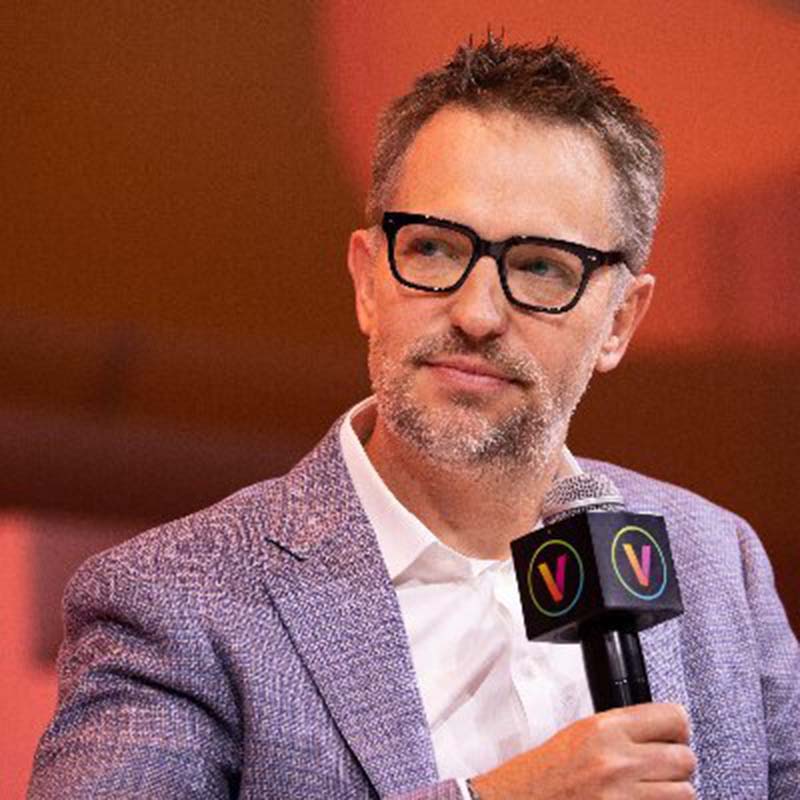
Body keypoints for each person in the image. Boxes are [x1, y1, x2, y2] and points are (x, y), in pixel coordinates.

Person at [28, 36, 798, 800]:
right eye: (433, 250)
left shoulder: (713, 560)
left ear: (620, 323)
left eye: (540, 267)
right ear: (368, 283)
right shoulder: (174, 599)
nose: (476, 313)